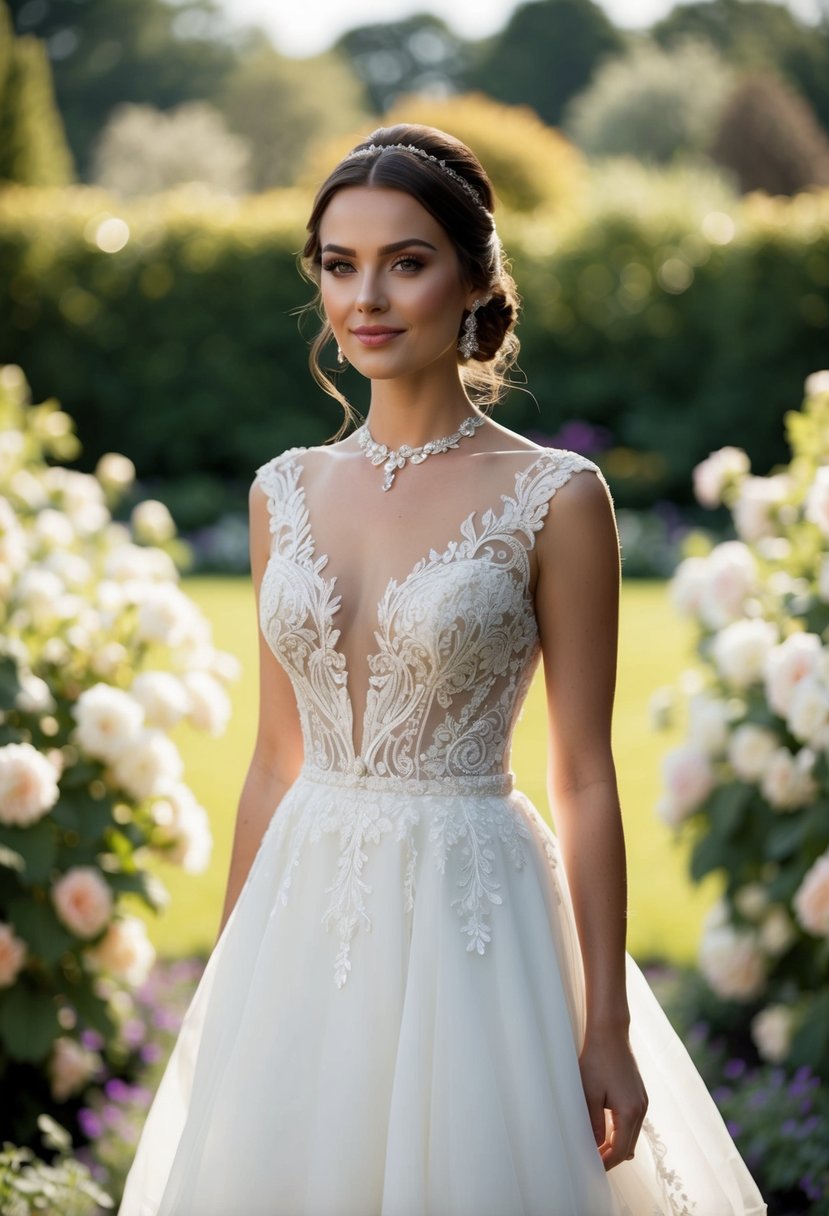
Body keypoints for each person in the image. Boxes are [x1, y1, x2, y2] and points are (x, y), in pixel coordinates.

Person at [119, 125, 766, 1216]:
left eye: (404, 261)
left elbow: (586, 776)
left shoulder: (558, 497)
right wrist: (226, 979)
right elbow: (274, 763)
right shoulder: (282, 489)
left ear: (472, 280)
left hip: (474, 916)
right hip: (303, 908)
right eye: (338, 263)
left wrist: (603, 1021)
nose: (364, 296)